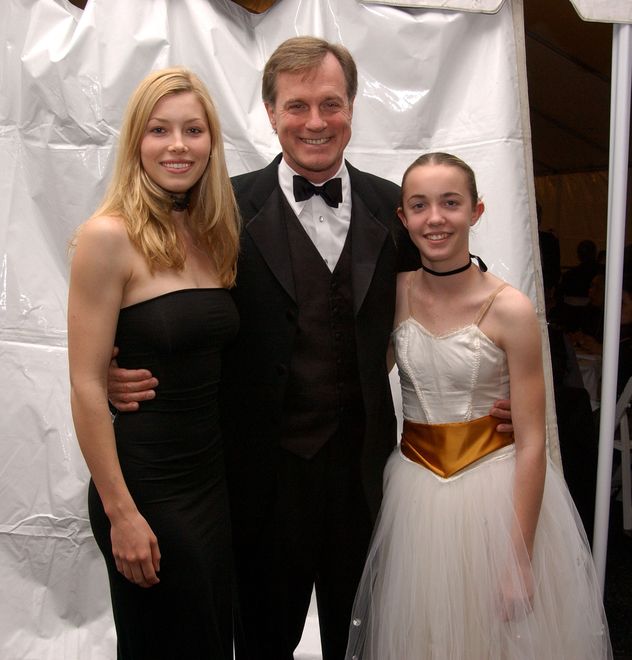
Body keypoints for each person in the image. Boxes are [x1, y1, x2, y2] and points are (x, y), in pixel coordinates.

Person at [107, 38, 512, 660]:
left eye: (331, 103)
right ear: (269, 113)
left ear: (353, 106)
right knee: (262, 640)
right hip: (257, 482)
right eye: (297, 106)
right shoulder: (219, 209)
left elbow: (452, 295)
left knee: (368, 639)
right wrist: (116, 367)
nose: (316, 122)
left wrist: (489, 393)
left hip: (370, 477)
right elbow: (165, 299)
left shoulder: (395, 208)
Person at [344, 152, 612, 660]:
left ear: (477, 210)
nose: (436, 218)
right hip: (415, 493)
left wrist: (518, 559)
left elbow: (534, 441)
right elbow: (358, 377)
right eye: (419, 205)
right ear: (403, 218)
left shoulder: (511, 308)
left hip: (495, 493)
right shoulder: (392, 293)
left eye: (450, 203)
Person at [68, 67, 240, 659]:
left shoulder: (215, 232)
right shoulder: (106, 236)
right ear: (136, 140)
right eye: (159, 129)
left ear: (211, 143)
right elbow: (87, 386)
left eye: (193, 130)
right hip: (146, 487)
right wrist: (122, 515)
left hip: (212, 482)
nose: (177, 145)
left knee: (213, 640)